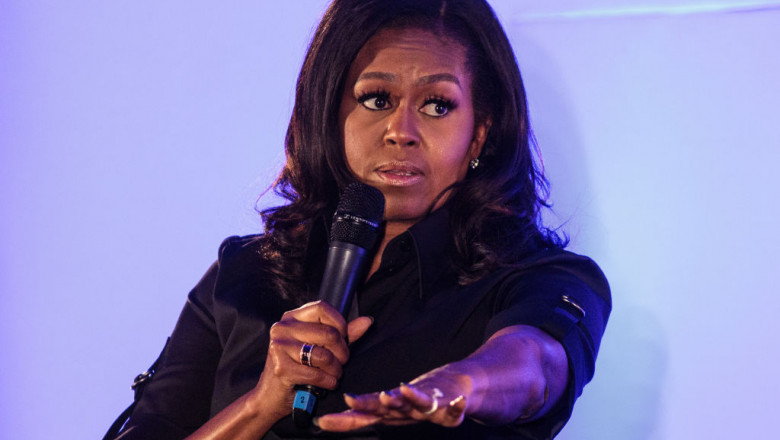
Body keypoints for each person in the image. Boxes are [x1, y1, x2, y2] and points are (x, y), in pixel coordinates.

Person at [113, 0, 611, 439]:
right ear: (330, 114)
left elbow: (534, 363)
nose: (401, 131)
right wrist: (261, 405)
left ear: (479, 135)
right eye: (377, 99)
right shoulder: (245, 273)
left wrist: (461, 384)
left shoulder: (539, 278)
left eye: (437, 105)